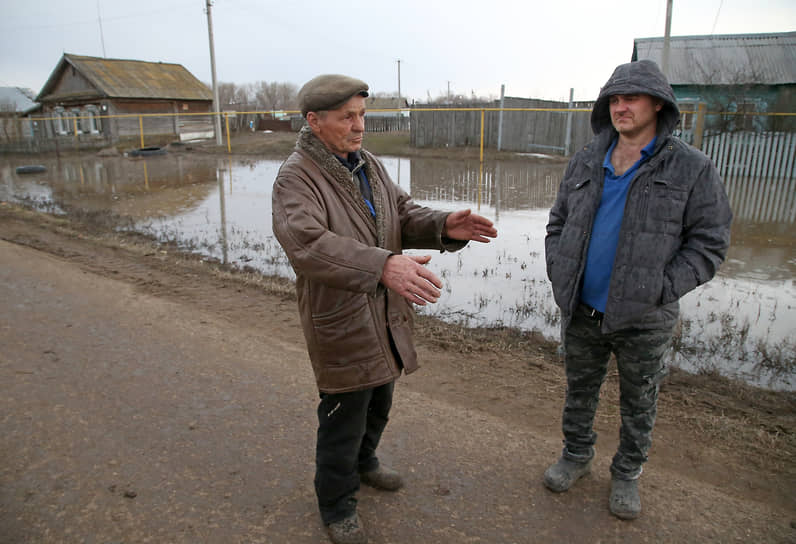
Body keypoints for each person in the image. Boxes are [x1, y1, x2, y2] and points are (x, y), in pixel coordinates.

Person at [271, 74, 497, 544]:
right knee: (344, 414)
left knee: (380, 400)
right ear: (314, 122)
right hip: (340, 316)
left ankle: (366, 461)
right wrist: (383, 266)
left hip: (383, 314)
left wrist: (443, 226)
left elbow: (401, 213)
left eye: (362, 115)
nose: (359, 127)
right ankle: (336, 505)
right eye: (347, 117)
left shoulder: (367, 163)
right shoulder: (296, 177)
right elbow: (308, 245)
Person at [543, 59, 732, 520]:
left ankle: (627, 472)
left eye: (631, 98)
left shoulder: (692, 167)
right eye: (614, 99)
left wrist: (661, 288)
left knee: (639, 400)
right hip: (583, 308)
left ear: (658, 105)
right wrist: (560, 268)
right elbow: (558, 222)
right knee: (579, 390)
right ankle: (576, 455)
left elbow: (709, 242)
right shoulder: (587, 158)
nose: (621, 107)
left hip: (646, 317)